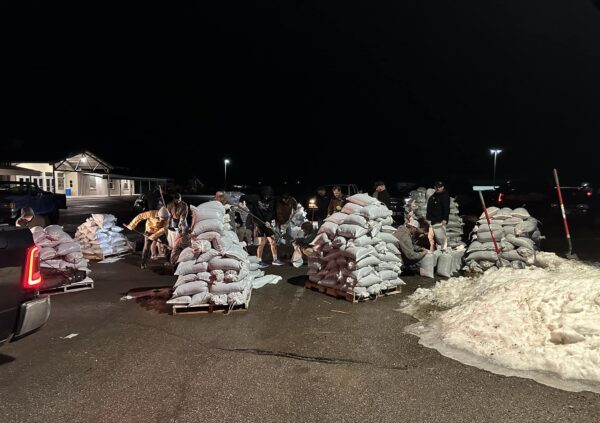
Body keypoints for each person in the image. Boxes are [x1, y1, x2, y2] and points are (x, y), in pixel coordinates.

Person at [247, 186, 282, 268]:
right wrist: (242, 202)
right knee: (262, 242)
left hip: (267, 223)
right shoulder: (256, 198)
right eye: (266, 195)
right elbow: (243, 197)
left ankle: (275, 259)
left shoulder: (271, 200)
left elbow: (270, 212)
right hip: (258, 223)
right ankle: (259, 261)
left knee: (273, 241)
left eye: (269, 195)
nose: (267, 197)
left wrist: (268, 221)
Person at [426, 181, 450, 249]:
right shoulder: (433, 196)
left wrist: (445, 219)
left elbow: (446, 208)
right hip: (432, 220)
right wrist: (428, 218)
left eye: (440, 187)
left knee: (441, 238)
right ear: (435, 187)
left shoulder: (444, 196)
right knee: (431, 237)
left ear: (443, 187)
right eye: (437, 187)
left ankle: (443, 251)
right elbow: (429, 208)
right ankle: (433, 250)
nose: (438, 188)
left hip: (440, 221)